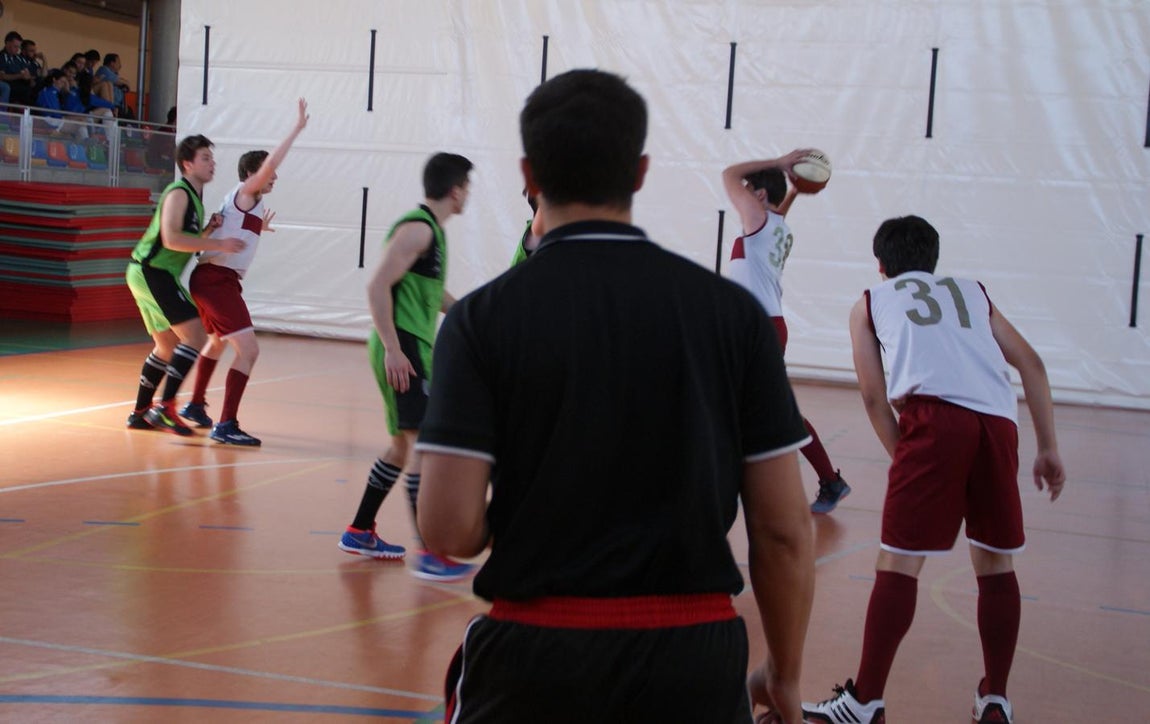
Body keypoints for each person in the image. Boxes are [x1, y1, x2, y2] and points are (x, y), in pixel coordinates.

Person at [415, 69, 816, 724]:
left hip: (534, 657)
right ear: (641, 171)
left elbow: (448, 528)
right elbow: (783, 531)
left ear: (529, 173)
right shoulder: (732, 316)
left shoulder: (481, 320)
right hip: (695, 660)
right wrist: (786, 674)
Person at [801, 215, 1066, 724]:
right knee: (996, 565)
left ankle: (865, 702)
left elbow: (874, 396)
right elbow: (1031, 364)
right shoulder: (974, 293)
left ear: (881, 265)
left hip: (933, 419)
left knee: (898, 563)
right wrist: (1048, 447)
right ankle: (995, 699)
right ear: (934, 260)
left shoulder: (870, 302)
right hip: (997, 422)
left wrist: (906, 456)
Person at [337, 151, 478, 583]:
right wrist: (395, 348)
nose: (468, 193)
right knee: (420, 445)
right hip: (403, 349)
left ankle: (360, 529)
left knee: (401, 446)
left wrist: (468, 313)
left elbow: (427, 293)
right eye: (467, 186)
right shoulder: (418, 229)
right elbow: (378, 285)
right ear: (455, 190)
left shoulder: (431, 232)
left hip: (410, 345)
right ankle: (431, 552)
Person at [722, 152, 851, 514]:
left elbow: (728, 173)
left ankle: (827, 481)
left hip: (757, 328)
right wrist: (792, 190)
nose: (741, 193)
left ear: (760, 197)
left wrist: (781, 162)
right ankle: (828, 480)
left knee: (771, 412)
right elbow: (773, 210)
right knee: (752, 406)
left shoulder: (759, 221)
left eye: (748, 191)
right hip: (763, 326)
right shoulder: (776, 226)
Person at [178, 99, 309, 446]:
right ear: (255, 174)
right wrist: (296, 129)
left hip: (212, 280)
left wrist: (257, 229)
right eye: (269, 173)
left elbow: (233, 226)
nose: (275, 177)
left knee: (218, 342)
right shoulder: (246, 191)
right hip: (216, 281)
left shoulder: (243, 201)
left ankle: (194, 406)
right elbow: (272, 164)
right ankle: (226, 425)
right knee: (249, 351)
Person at [124, 135, 245, 435]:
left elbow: (187, 242)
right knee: (195, 337)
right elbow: (171, 239)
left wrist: (208, 229)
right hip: (154, 271)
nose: (212, 163)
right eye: (205, 157)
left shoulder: (194, 197)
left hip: (148, 273)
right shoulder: (178, 193)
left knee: (166, 345)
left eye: (211, 158)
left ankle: (140, 412)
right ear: (187, 163)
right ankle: (166, 408)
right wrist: (218, 242)